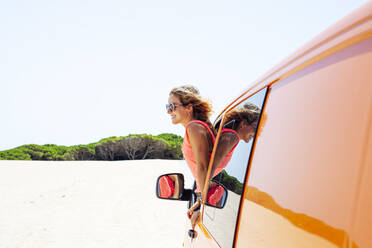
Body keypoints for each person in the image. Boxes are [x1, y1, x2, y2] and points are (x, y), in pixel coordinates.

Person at [166, 85, 216, 218]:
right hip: (207, 196)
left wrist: (203, 207)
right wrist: (200, 200)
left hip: (209, 201)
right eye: (167, 107)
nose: (168, 112)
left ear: (189, 107)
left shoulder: (194, 127)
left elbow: (203, 167)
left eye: (172, 106)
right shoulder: (196, 127)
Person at [210, 103, 261, 179]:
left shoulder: (228, 135)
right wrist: (204, 185)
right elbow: (211, 166)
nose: (255, 135)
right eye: (255, 129)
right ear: (243, 124)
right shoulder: (232, 136)